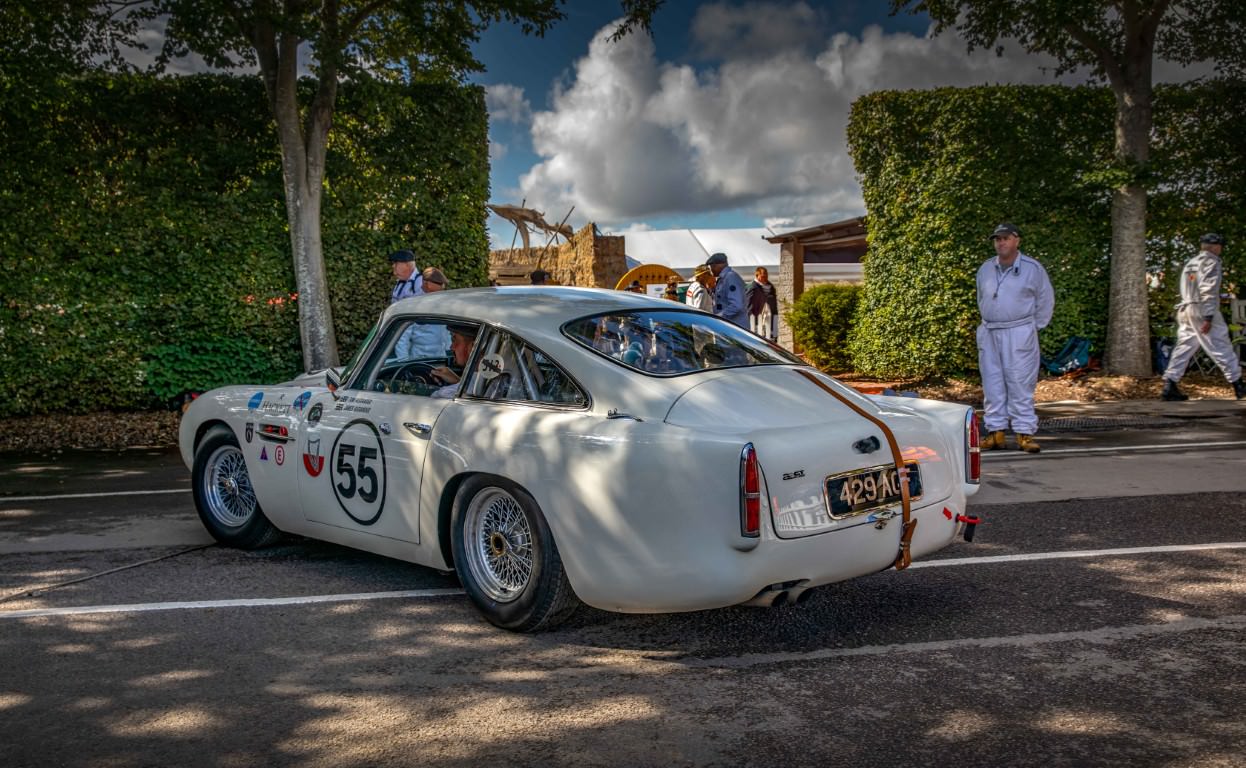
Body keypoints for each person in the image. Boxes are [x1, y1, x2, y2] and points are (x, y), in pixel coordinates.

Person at [976, 223, 1054, 453]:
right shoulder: (986, 268)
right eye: (997, 239)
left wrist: (1032, 327)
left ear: (1016, 240)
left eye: (1006, 238)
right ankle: (996, 432)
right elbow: (981, 297)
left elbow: (1045, 299)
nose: (1001, 242)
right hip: (990, 330)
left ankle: (1024, 433)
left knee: (1020, 382)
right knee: (992, 382)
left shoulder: (1032, 269)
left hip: (1019, 331)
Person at [1160, 233, 1245, 401]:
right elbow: (1208, 290)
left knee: (1184, 348)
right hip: (1202, 308)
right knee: (1220, 346)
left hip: (1186, 308)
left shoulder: (1191, 263)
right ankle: (1238, 384)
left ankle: (1169, 385)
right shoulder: (1211, 262)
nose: (1221, 249)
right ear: (1215, 246)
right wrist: (1208, 317)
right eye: (1220, 246)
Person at [393, 268, 450, 360]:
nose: (442, 287)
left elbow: (446, 331)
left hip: (441, 357)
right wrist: (403, 361)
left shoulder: (443, 302)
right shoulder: (413, 304)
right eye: (439, 283)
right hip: (420, 358)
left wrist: (449, 353)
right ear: (426, 283)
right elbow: (403, 337)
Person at [430, 323, 478, 398]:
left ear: (473, 347)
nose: (451, 347)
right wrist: (458, 381)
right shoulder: (485, 382)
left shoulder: (445, 394)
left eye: (454, 340)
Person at [706, 252, 747, 327]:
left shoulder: (731, 278)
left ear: (718, 265)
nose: (711, 270)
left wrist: (719, 317)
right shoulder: (723, 278)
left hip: (735, 326)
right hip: (728, 325)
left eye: (712, 266)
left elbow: (736, 305)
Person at [747, 266, 779, 341]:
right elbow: (748, 305)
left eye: (766, 276)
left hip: (770, 318)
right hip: (755, 319)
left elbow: (774, 305)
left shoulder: (770, 287)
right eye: (762, 277)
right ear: (757, 276)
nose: (765, 278)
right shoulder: (752, 287)